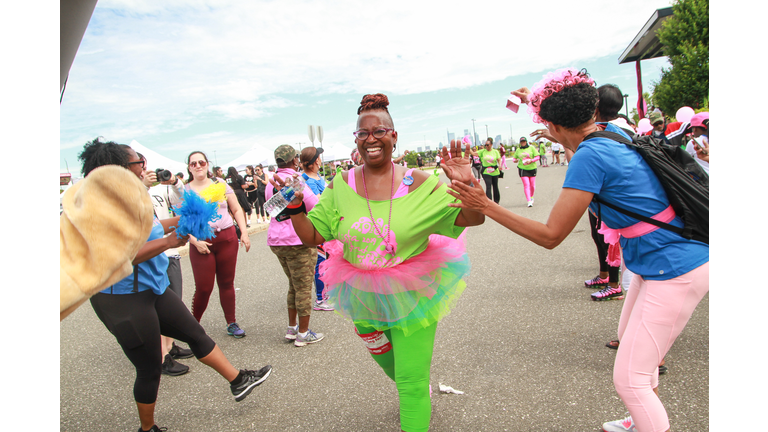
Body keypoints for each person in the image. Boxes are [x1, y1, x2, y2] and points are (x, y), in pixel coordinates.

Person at [449, 68, 708, 432]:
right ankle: (640, 421)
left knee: (630, 379)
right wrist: (535, 103)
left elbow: (551, 235)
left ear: (553, 126)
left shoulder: (589, 157)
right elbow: (573, 130)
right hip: (667, 259)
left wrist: (486, 205)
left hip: (675, 267)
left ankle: (648, 421)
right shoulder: (611, 131)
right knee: (638, 360)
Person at [276, 93, 484, 432]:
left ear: (394, 136)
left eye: (379, 131)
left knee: (410, 381)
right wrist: (296, 207)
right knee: (389, 365)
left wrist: (467, 181)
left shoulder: (420, 184)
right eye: (363, 133)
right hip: (360, 294)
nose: (371, 139)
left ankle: (415, 395)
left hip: (415, 293)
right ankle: (412, 391)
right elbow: (314, 237)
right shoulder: (341, 184)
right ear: (356, 140)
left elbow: (472, 219)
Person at [77, 139, 272, 432]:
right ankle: (147, 428)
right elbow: (121, 256)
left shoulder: (133, 196)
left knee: (195, 333)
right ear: (119, 169)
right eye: (138, 162)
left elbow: (152, 227)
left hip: (152, 288)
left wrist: (179, 221)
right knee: (149, 368)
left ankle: (238, 381)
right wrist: (170, 242)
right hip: (121, 299)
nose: (144, 166)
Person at [185, 152, 251, 338]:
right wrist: (194, 240)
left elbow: (236, 208)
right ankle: (192, 326)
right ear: (189, 167)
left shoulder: (220, 184)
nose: (198, 165)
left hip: (227, 238)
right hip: (201, 242)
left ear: (207, 164)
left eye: (202, 162)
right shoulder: (186, 190)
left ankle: (231, 323)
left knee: (226, 282)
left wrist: (243, 233)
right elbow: (182, 220)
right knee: (204, 288)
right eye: (193, 163)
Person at [265, 144, 325, 347]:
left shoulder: (270, 181)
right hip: (297, 240)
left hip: (276, 240)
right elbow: (313, 206)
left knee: (293, 284)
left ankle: (292, 328)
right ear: (295, 160)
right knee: (303, 288)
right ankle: (303, 333)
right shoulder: (295, 181)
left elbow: (270, 208)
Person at [142, 154, 195, 375]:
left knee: (172, 301)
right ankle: (161, 356)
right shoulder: (132, 193)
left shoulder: (160, 189)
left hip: (169, 253)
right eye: (141, 167)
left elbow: (186, 202)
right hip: (148, 256)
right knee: (155, 308)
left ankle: (170, 346)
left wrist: (174, 182)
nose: (146, 172)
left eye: (146, 167)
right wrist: (141, 186)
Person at [299, 146, 334, 312]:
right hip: (316, 225)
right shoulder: (306, 180)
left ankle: (326, 294)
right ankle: (320, 298)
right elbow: (316, 202)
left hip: (327, 225)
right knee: (320, 262)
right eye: (319, 156)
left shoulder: (317, 177)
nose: (321, 159)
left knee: (327, 261)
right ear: (316, 160)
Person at [511, 137, 539, 207]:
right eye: (521, 142)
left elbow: (538, 157)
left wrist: (531, 160)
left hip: (532, 168)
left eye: (524, 141)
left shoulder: (531, 148)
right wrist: (515, 160)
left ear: (526, 142)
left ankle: (531, 196)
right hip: (522, 168)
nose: (523, 143)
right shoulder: (518, 150)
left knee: (532, 185)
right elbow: (514, 158)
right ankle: (529, 201)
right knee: (526, 184)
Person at [476, 138, 502, 203]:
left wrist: (500, 165)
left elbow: (499, 159)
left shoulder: (495, 151)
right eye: (485, 145)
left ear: (491, 145)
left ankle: (496, 202)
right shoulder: (483, 151)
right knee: (488, 186)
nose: (486, 146)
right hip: (486, 171)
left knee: (495, 186)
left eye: (488, 145)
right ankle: (489, 202)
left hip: (494, 171)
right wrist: (467, 145)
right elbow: (473, 153)